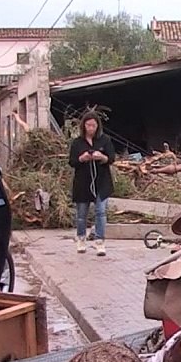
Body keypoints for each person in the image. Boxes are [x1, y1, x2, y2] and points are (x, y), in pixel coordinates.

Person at [68, 110, 116, 256]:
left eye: (93, 125)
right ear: (83, 126)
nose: (91, 128)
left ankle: (100, 241)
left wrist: (101, 157)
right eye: (88, 125)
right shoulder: (77, 143)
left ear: (97, 126)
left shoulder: (105, 140)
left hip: (101, 182)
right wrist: (82, 158)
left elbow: (112, 158)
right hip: (83, 182)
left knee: (101, 212)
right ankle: (81, 238)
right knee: (82, 214)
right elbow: (72, 162)